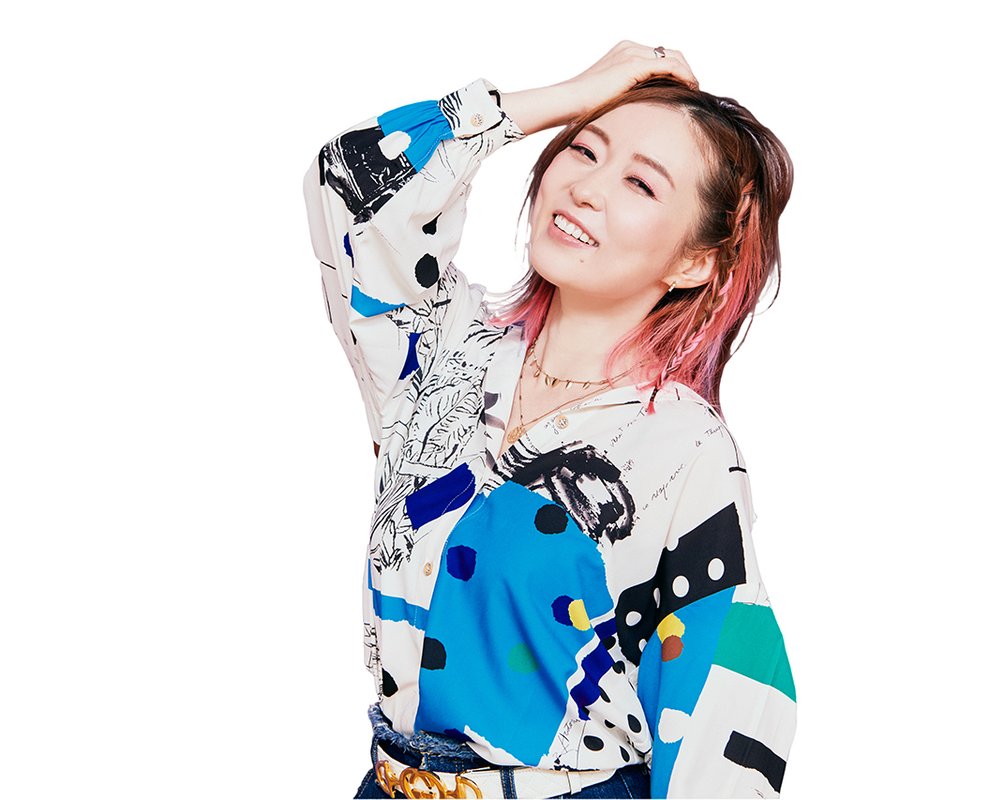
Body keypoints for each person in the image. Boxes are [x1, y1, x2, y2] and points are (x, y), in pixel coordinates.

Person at [302, 40, 797, 799]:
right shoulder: (439, 350)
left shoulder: (685, 447)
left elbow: (724, 702)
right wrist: (574, 92)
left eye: (640, 183)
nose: (586, 188)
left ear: (694, 262)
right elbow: (351, 185)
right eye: (583, 149)